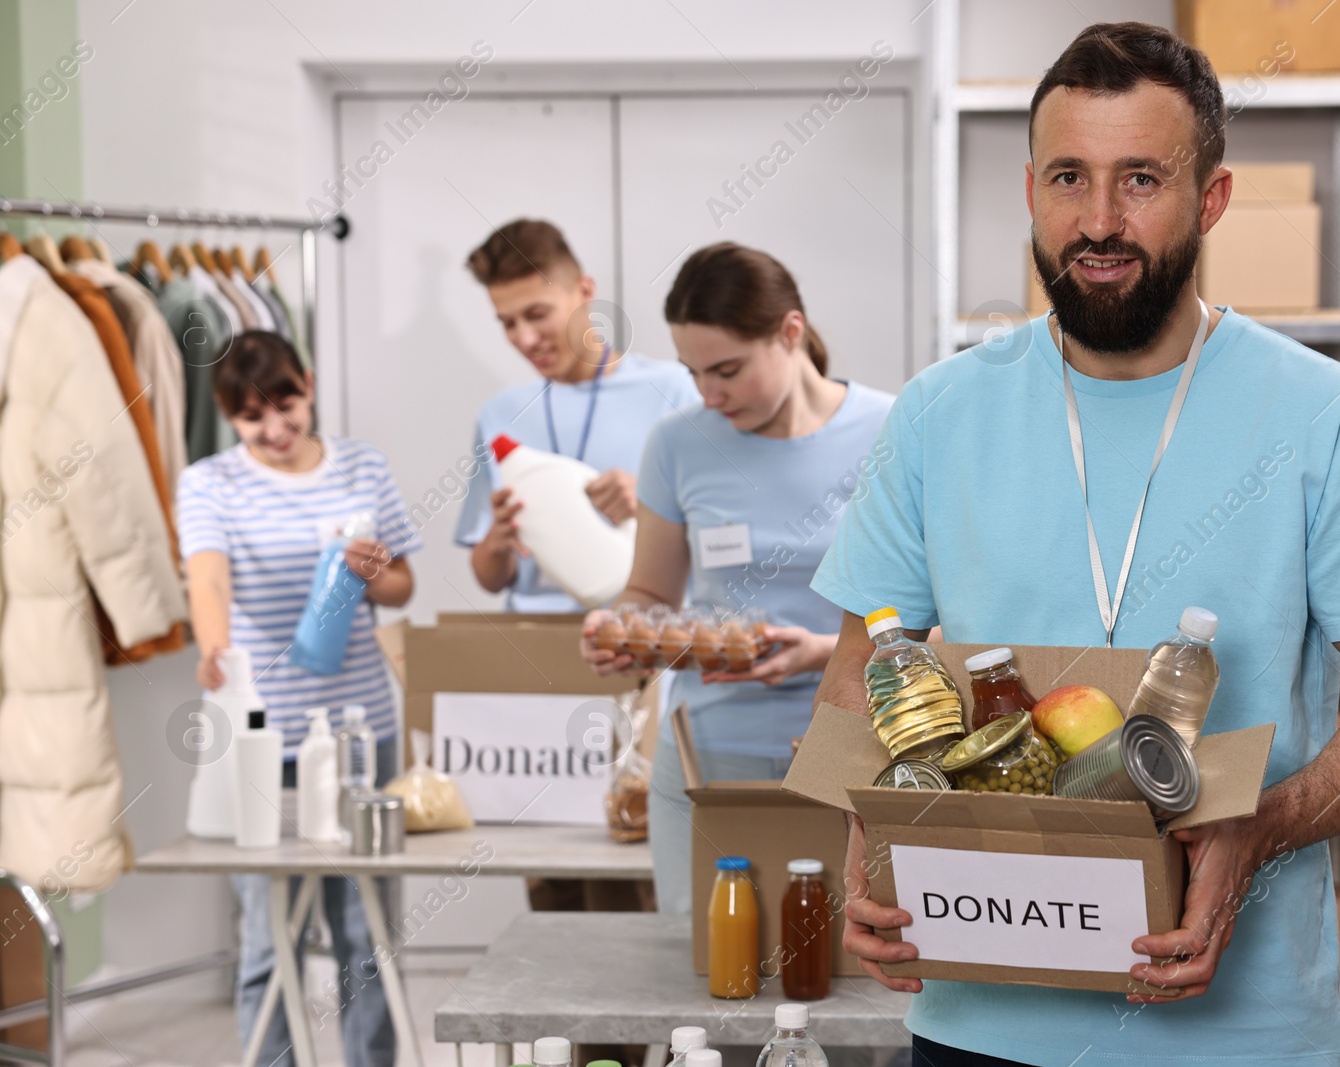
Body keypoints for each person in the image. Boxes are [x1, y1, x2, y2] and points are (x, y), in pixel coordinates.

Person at [809, 22, 1340, 1067]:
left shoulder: (1325, 416)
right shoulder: (940, 415)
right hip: (979, 1022)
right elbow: (859, 667)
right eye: (1069, 178)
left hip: (1242, 1036)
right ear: (1030, 190)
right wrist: (867, 837)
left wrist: (1263, 821)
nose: (1099, 220)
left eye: (1141, 180)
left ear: (1209, 197)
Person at [581, 242, 894, 913]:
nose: (708, 394)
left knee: (848, 977)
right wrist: (620, 626)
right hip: (707, 756)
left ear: (791, 331)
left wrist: (827, 655)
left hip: (854, 751)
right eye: (693, 373)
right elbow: (653, 593)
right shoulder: (678, 443)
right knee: (702, 968)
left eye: (726, 369)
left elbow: (939, 608)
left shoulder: (893, 429)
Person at [178, 331, 419, 1067]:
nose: (277, 430)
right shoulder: (210, 481)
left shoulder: (362, 465)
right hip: (262, 735)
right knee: (267, 933)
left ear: (308, 383)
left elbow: (403, 585)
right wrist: (214, 646)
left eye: (287, 404)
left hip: (359, 730)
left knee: (366, 930)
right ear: (230, 417)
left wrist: (373, 572)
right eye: (253, 419)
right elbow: (209, 575)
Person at [456, 218, 702, 612]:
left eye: (537, 314)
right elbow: (490, 577)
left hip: (638, 633)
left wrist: (650, 504)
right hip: (533, 643)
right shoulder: (500, 413)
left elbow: (724, 537)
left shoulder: (673, 390)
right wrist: (497, 541)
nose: (524, 339)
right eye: (507, 323)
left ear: (585, 291)